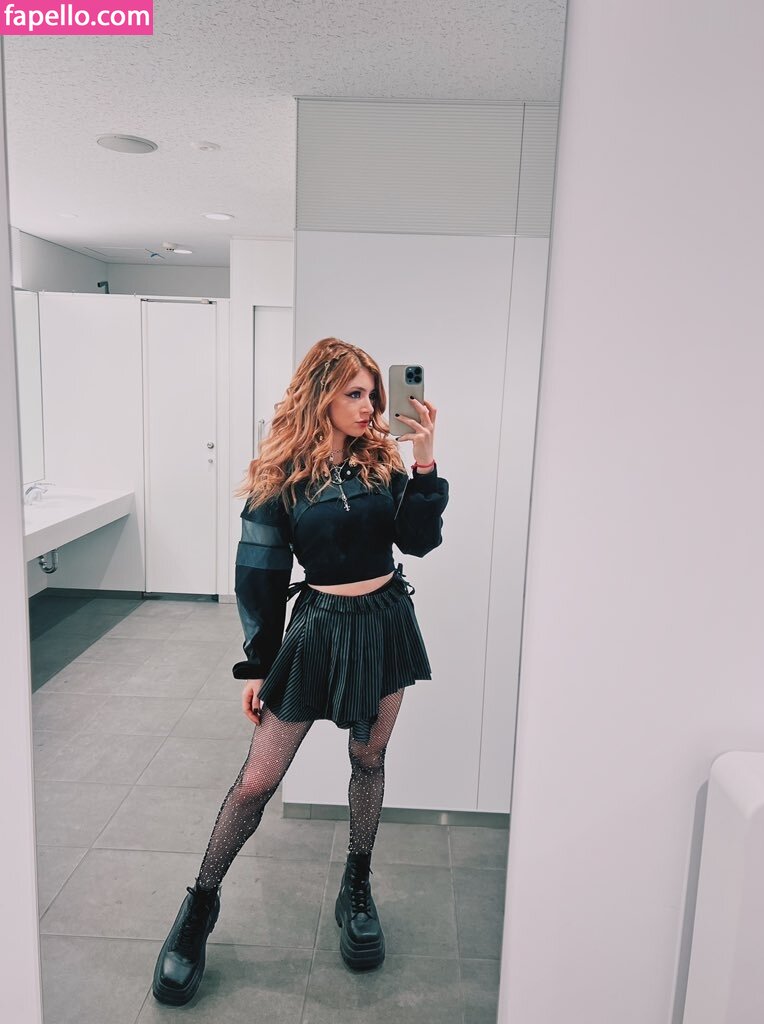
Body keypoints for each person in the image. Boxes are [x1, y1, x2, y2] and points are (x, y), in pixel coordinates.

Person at [152, 336, 449, 1005]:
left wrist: (425, 463)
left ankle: (356, 887)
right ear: (321, 395)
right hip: (317, 629)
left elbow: (419, 542)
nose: (369, 406)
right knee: (258, 780)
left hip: (384, 623)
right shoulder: (281, 474)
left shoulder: (383, 463)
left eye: (373, 393)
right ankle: (198, 910)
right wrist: (257, 665)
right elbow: (258, 572)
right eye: (354, 393)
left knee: (368, 758)